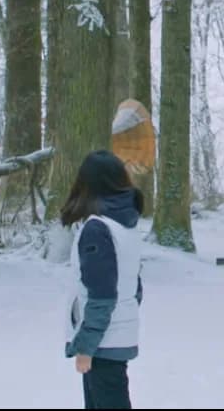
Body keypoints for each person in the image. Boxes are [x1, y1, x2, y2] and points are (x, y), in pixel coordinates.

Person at [60, 150, 144, 409]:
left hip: (103, 342)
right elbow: (134, 287)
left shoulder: (98, 228)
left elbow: (103, 295)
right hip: (113, 336)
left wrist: (86, 346)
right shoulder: (125, 225)